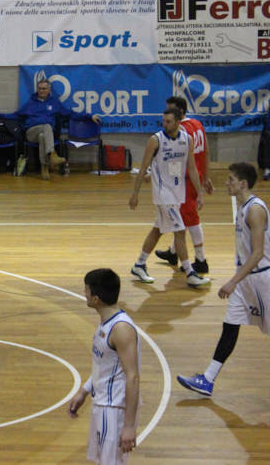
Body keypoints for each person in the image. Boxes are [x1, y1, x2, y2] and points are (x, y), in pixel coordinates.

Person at [177, 163, 270, 396]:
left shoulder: (255, 210)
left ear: (243, 184)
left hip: (261, 279)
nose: (226, 183)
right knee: (230, 326)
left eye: (231, 179)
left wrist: (233, 281)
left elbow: (258, 253)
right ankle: (207, 379)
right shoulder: (242, 206)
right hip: (246, 279)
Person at [129, 105, 209, 288]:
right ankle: (190, 273)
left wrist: (200, 192)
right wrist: (135, 194)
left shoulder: (187, 139)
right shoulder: (155, 140)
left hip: (178, 193)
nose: (165, 124)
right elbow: (143, 168)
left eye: (169, 121)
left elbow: (192, 168)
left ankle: (139, 264)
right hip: (162, 194)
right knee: (180, 231)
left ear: (179, 122)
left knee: (158, 230)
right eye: (163, 121)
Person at [68, 268, 141, 465]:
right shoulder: (105, 323)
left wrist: (129, 426)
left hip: (114, 409)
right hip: (102, 404)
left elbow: (133, 377)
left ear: (96, 299)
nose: (84, 293)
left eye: (86, 289)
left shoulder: (121, 329)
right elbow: (103, 365)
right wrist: (84, 391)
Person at [154, 96, 215, 274]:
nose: (168, 114)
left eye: (171, 110)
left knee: (191, 219)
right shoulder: (197, 124)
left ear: (180, 112)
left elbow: (174, 160)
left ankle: (201, 260)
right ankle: (173, 252)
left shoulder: (181, 131)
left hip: (187, 179)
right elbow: (206, 152)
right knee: (182, 218)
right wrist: (206, 176)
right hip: (196, 176)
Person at [13, 79, 101, 180]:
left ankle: (44, 167)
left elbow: (70, 114)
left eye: (44, 89)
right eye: (39, 88)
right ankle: (53, 154)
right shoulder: (30, 103)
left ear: (49, 90)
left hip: (44, 134)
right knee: (47, 126)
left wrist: (89, 116)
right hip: (31, 133)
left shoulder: (54, 103)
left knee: (42, 136)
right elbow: (16, 115)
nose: (41, 91)